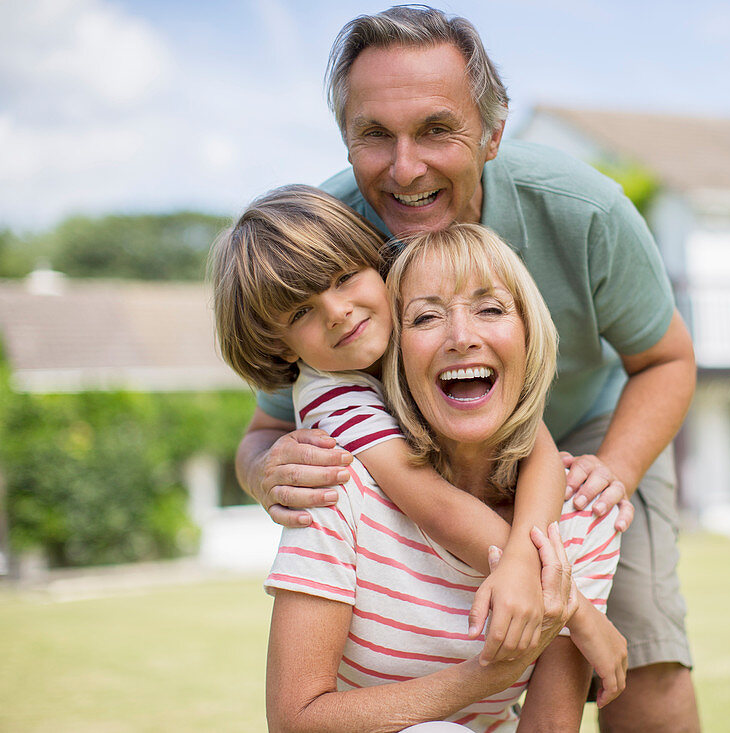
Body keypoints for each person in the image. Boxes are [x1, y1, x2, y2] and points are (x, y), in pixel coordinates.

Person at [235, 7, 700, 730]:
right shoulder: (328, 250)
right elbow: (266, 427)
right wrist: (265, 471)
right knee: (424, 640)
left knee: (641, 651)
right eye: (375, 136)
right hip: (417, 444)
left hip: (583, 424)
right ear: (347, 140)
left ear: (492, 133)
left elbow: (667, 359)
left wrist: (615, 471)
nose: (405, 166)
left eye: (436, 129)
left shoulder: (584, 211)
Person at [209, 186, 628, 701]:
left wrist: (529, 553)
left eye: (344, 279)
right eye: (300, 313)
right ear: (277, 344)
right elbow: (435, 507)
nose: (338, 311)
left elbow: (536, 443)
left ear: (376, 264)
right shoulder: (333, 395)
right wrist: (575, 612)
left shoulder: (407, 342)